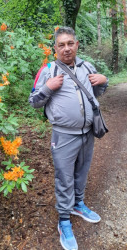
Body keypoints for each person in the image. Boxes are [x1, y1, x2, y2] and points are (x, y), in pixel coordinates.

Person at [29, 26, 108, 250]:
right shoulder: (48, 70)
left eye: (70, 43)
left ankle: (78, 204)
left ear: (77, 45)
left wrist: (104, 81)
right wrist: (47, 87)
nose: (66, 48)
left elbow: (96, 93)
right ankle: (64, 219)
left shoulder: (86, 66)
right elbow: (33, 101)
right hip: (63, 136)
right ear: (55, 48)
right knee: (65, 177)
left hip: (87, 133)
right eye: (61, 45)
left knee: (81, 172)